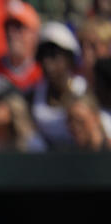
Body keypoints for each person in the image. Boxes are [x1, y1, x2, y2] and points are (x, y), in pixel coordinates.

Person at [30, 21, 87, 150]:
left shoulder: (84, 90)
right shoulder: (33, 94)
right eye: (43, 56)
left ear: (70, 58)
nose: (47, 63)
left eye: (54, 55)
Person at [0, 1, 42, 92]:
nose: (11, 33)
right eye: (8, 27)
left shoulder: (42, 75)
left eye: (18, 27)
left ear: (34, 34)